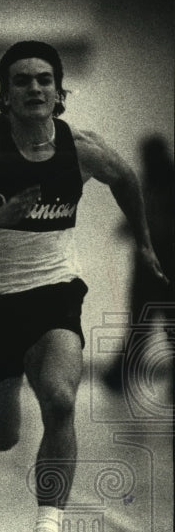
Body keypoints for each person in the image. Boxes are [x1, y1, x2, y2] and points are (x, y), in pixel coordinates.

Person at [0, 40, 168, 532]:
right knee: (3, 436)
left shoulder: (81, 148)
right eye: (21, 81)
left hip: (53, 293)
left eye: (43, 80)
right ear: (4, 94)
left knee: (60, 401)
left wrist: (145, 244)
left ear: (59, 92)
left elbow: (126, 179)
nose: (33, 88)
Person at [102, 135, 174, 392]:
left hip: (157, 264)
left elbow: (146, 220)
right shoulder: (156, 182)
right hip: (158, 264)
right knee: (158, 323)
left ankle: (117, 378)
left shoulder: (153, 183)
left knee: (143, 323)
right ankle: (117, 378)